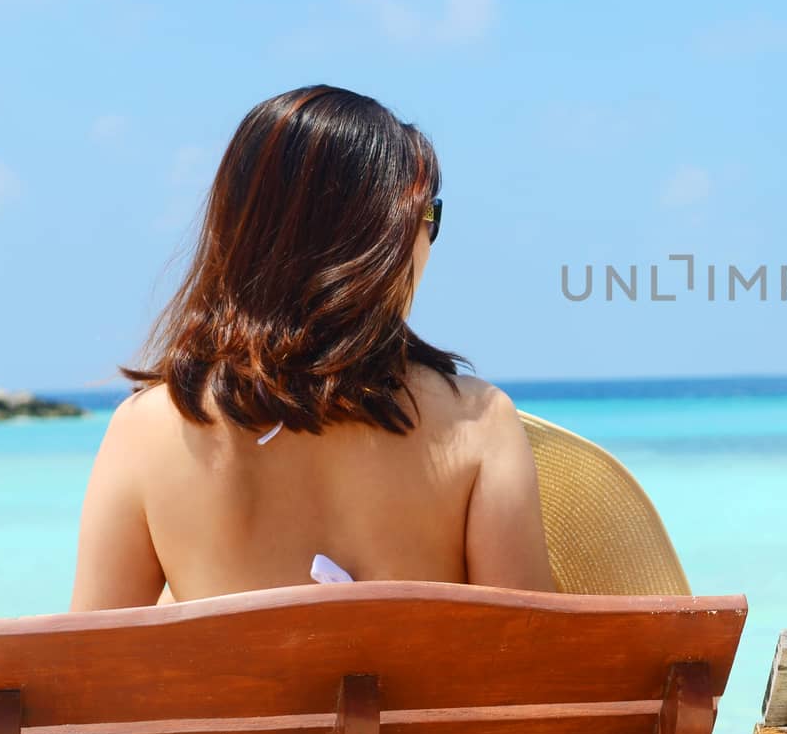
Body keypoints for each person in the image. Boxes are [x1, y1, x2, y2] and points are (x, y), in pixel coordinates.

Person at [70, 86, 551, 610]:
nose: (428, 235)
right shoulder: (477, 425)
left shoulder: (147, 430)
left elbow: (88, 671)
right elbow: (528, 668)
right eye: (426, 214)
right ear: (382, 237)